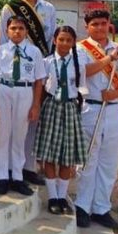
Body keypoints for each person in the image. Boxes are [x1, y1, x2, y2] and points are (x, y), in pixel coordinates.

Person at [75, 9, 118, 229]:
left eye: (103, 23)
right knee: (87, 160)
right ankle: (82, 206)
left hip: (113, 109)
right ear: (87, 26)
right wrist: (108, 59)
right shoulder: (80, 49)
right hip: (90, 109)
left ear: (109, 25)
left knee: (109, 162)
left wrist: (115, 94)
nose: (100, 28)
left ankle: (101, 208)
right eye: (95, 24)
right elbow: (84, 71)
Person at [0, 0, 57, 186]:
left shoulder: (49, 9)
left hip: (36, 66)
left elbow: (50, 40)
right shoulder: (10, 7)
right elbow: (3, 39)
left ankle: (27, 167)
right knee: (8, 124)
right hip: (12, 68)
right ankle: (7, 169)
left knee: (32, 119)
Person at [0, 16, 46, 196]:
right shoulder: (0, 51)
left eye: (21, 28)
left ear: (26, 31)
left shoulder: (34, 52)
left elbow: (39, 81)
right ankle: (2, 176)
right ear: (7, 31)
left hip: (25, 91)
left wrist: (36, 105)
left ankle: (18, 177)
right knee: (4, 134)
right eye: (13, 28)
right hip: (4, 90)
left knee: (20, 136)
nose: (17, 32)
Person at [34, 26, 88, 214]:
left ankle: (62, 196)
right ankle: (52, 197)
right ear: (55, 41)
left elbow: (82, 88)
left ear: (73, 43)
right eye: (61, 39)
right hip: (51, 107)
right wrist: (36, 108)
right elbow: (40, 88)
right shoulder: (47, 62)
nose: (64, 43)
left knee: (67, 157)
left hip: (70, 108)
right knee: (49, 155)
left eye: (69, 40)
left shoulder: (78, 63)